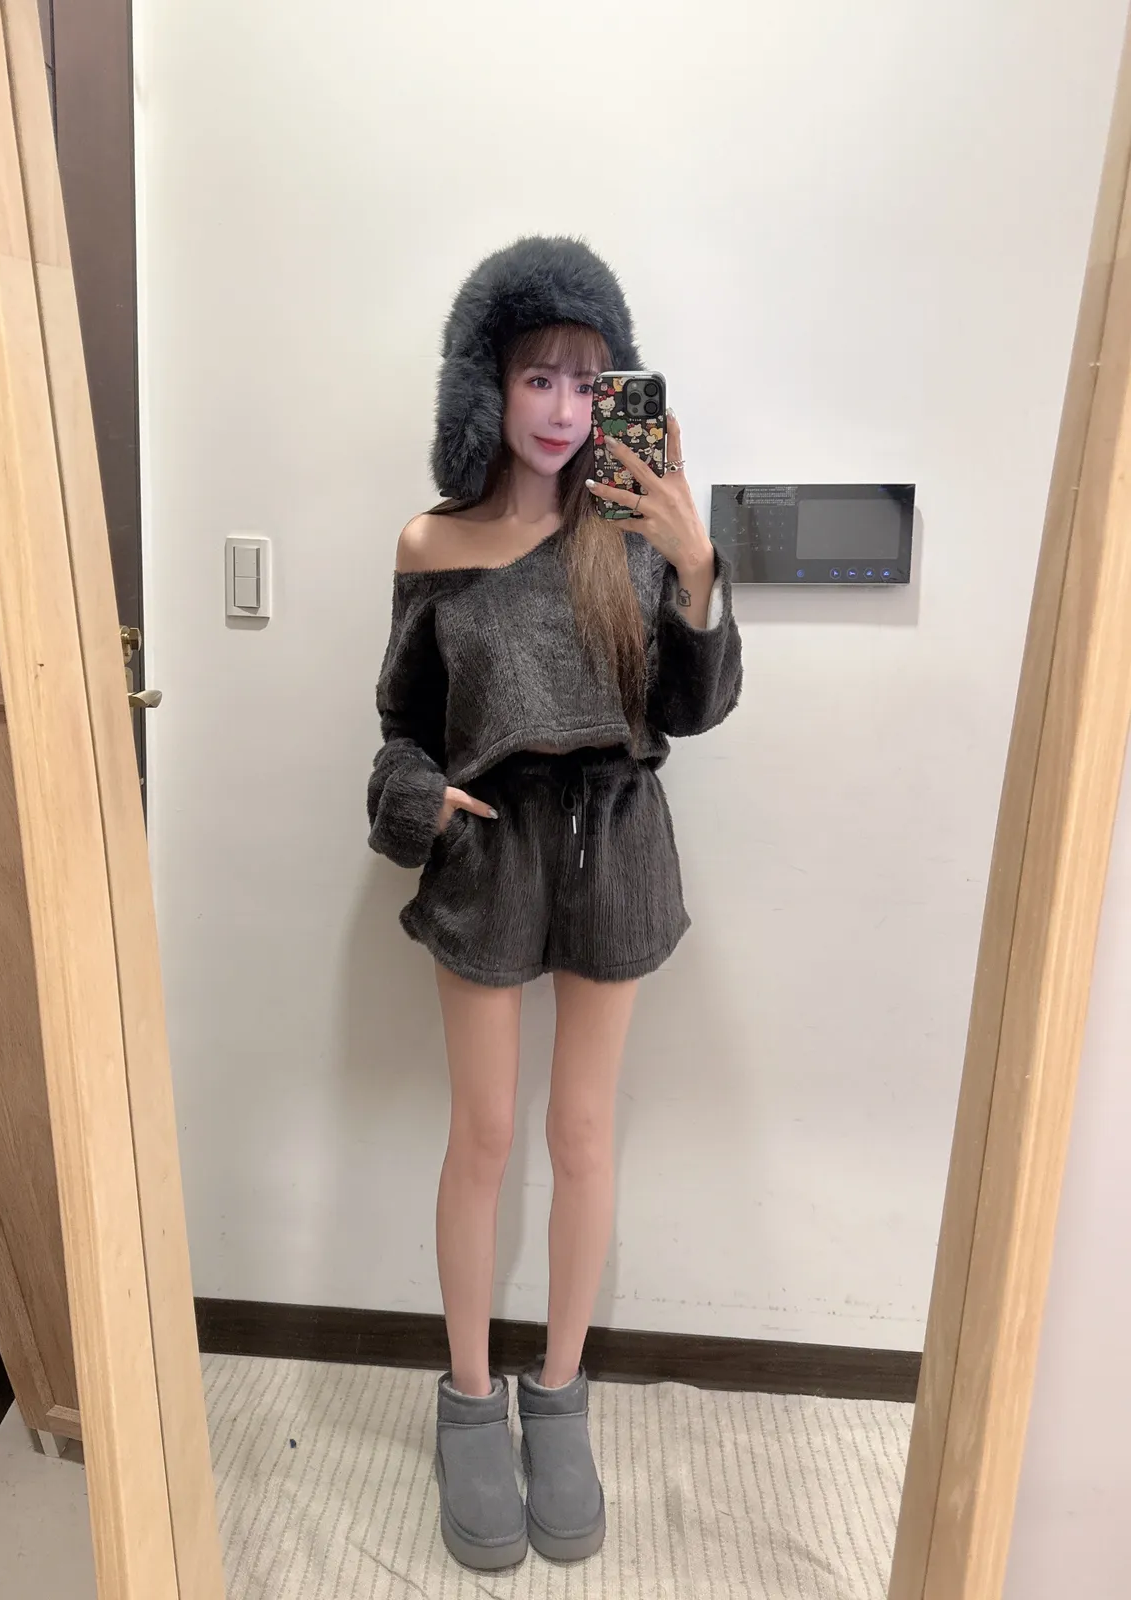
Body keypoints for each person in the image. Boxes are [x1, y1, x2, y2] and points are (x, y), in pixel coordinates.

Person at [366, 235, 743, 1572]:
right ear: (487, 385)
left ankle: (562, 1398)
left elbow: (693, 708)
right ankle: (471, 1403)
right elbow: (402, 725)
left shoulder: (631, 536)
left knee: (582, 1136)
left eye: (589, 382)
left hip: (616, 840)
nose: (566, 410)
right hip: (490, 853)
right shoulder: (434, 542)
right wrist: (420, 802)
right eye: (539, 377)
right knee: (481, 1137)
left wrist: (696, 570)